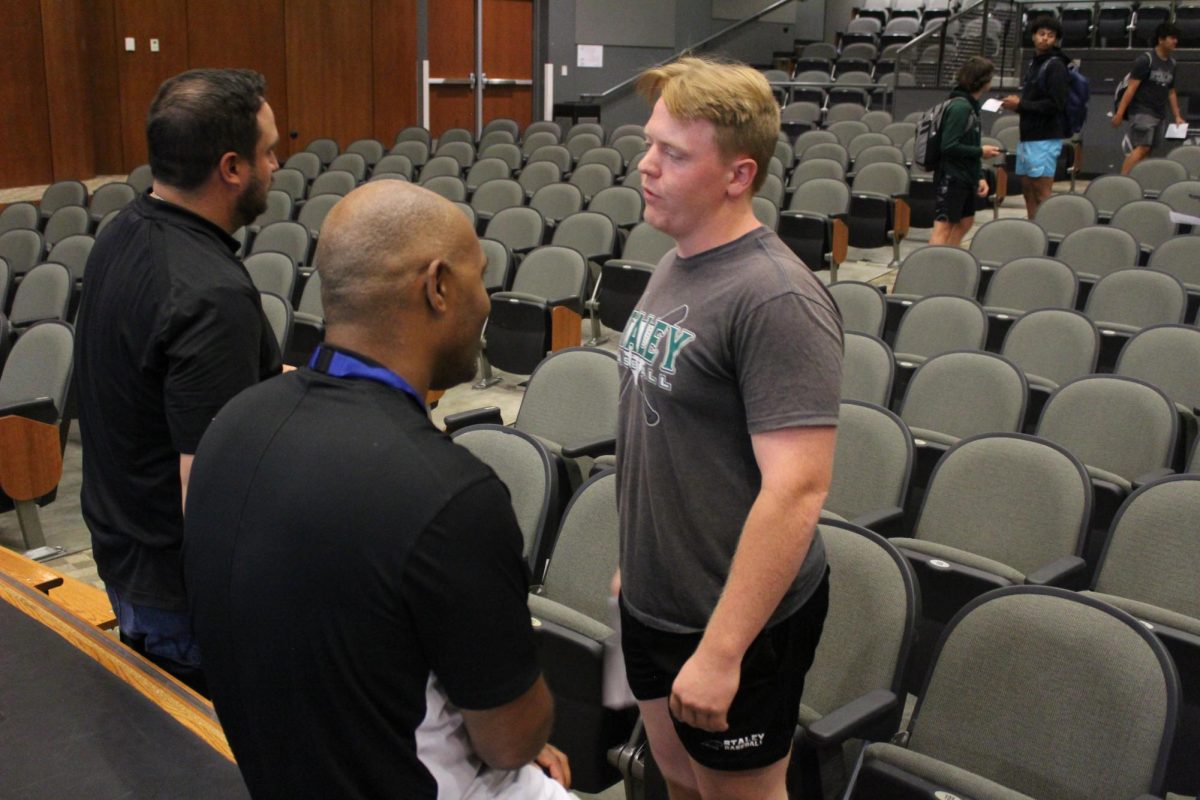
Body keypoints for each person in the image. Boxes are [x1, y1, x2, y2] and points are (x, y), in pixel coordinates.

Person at [183, 181, 573, 800]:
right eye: (480, 279)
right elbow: (510, 741)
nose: (489, 303)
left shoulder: (232, 425)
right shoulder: (451, 497)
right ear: (438, 286)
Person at [615, 56, 841, 800]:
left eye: (672, 154)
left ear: (738, 175)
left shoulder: (775, 299)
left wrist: (723, 649)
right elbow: (662, 431)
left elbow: (798, 490)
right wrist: (637, 559)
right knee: (680, 778)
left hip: (732, 620)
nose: (646, 166)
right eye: (649, 144)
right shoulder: (676, 262)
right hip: (656, 598)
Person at [74, 68, 283, 691]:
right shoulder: (210, 296)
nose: (277, 162)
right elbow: (212, 495)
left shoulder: (122, 232)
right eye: (268, 150)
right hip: (185, 601)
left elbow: (156, 386)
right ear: (231, 168)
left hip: (127, 556)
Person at [930, 57, 1004, 246]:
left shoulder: (970, 105)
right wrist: (981, 151)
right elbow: (948, 146)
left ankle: (949, 259)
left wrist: (978, 175)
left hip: (964, 174)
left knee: (965, 221)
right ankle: (931, 268)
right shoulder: (960, 107)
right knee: (943, 226)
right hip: (952, 176)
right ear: (983, 80)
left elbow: (969, 142)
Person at [1001, 16, 1069, 218]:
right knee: (1028, 190)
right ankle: (1033, 229)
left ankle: (1044, 235)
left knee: (1042, 192)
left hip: (1045, 137)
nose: (1045, 39)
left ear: (1055, 39)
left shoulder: (1056, 65)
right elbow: (1036, 99)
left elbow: (1056, 105)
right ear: (1033, 36)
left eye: (1050, 35)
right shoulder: (1035, 63)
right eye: (1041, 34)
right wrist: (1018, 104)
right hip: (1028, 135)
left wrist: (1021, 105)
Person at [1112, 22, 1185, 175]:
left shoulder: (1172, 63)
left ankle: (1137, 181)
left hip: (1159, 112)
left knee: (1148, 150)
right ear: (1161, 40)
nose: (1175, 42)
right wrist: (1119, 113)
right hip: (1142, 110)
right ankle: (1123, 180)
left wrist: (1177, 116)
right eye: (1172, 38)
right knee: (1142, 146)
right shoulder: (1145, 60)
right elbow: (1131, 89)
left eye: (1176, 38)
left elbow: (1171, 91)